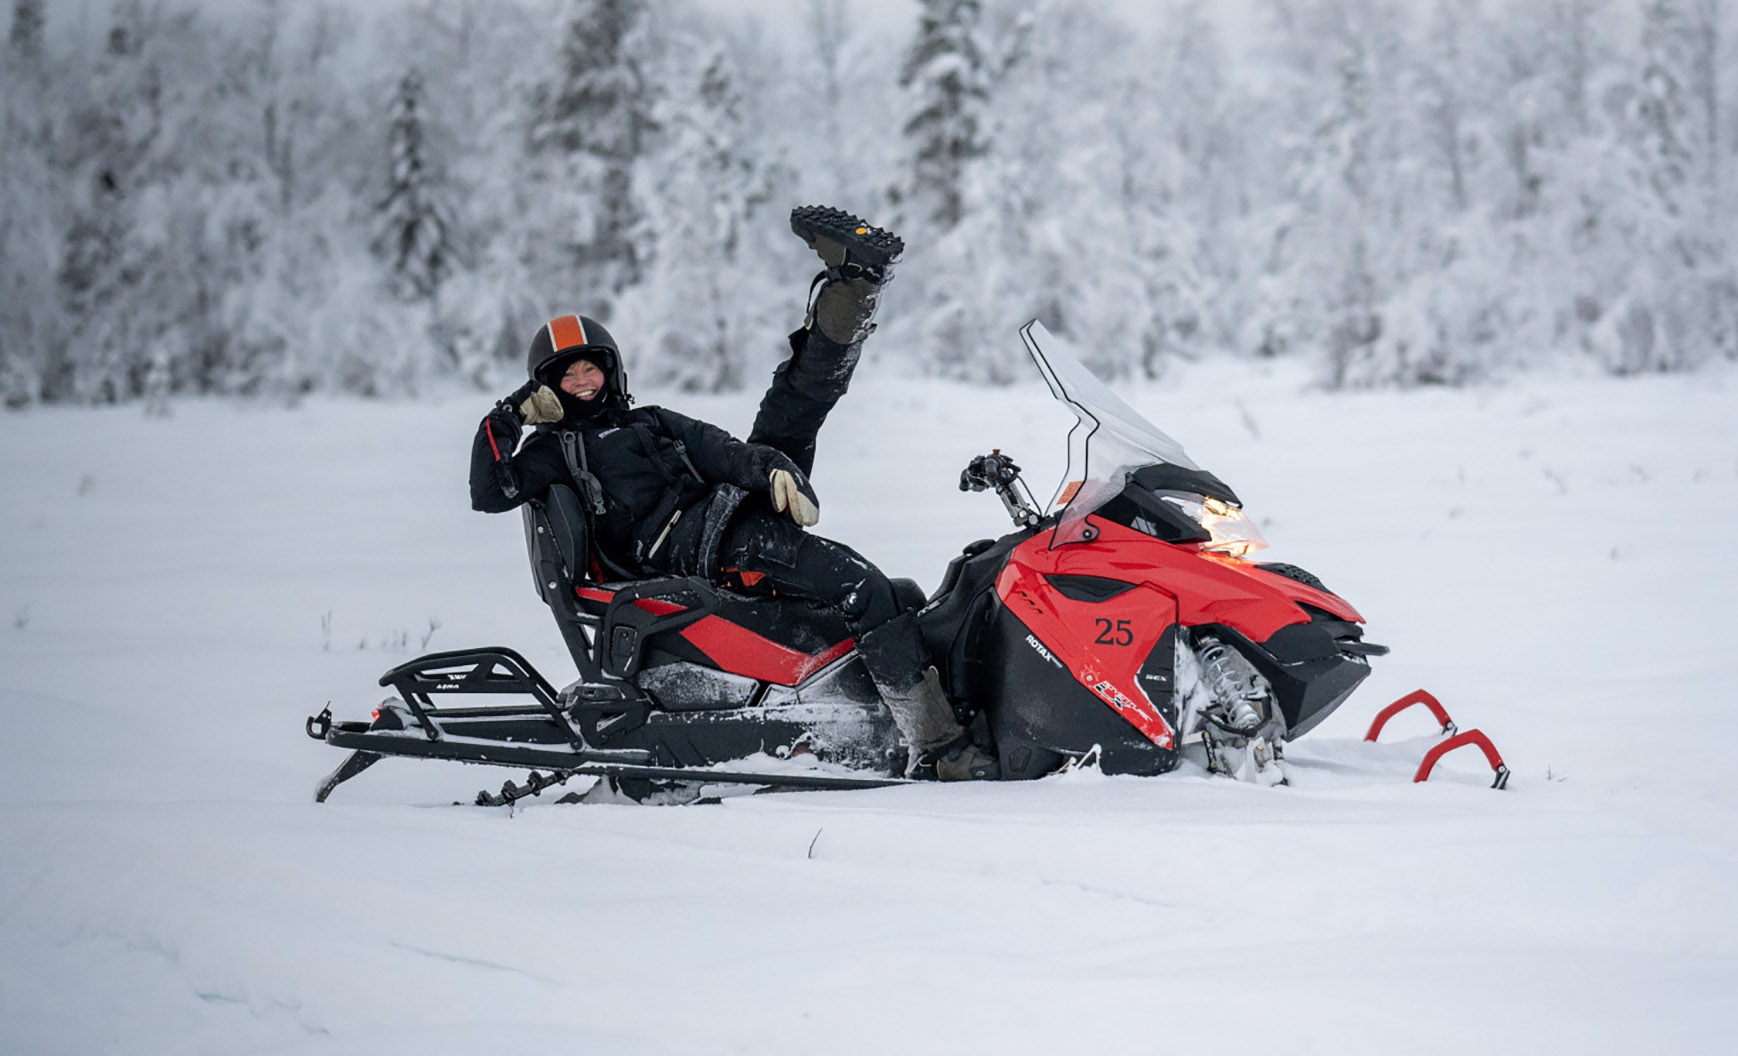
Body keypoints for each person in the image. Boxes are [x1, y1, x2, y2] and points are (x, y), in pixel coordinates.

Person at [468, 207, 996, 781]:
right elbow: (490, 492)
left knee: (791, 414)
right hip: (703, 548)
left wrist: (769, 469)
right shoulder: (555, 451)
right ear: (546, 387)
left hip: (725, 518)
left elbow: (716, 449)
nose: (582, 383)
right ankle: (943, 749)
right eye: (565, 376)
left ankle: (855, 285)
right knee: (866, 589)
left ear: (611, 369)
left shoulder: (648, 420)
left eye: (590, 368)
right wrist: (510, 413)